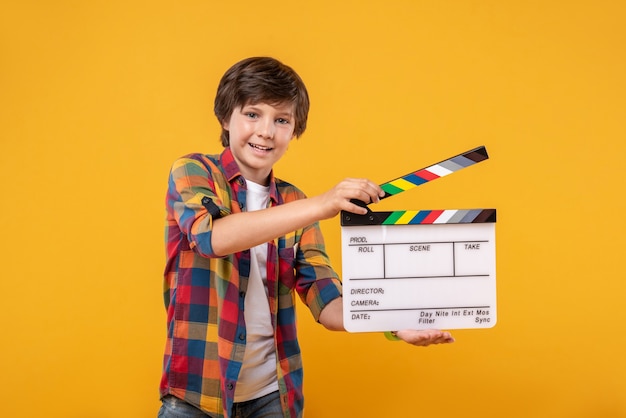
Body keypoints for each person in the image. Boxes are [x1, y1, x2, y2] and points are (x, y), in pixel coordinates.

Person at [158, 56, 454, 418]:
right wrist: (322, 204)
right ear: (225, 117)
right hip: (195, 395)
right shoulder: (193, 170)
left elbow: (325, 298)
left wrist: (391, 320)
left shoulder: (296, 203)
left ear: (294, 130)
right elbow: (212, 239)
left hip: (273, 396)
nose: (266, 131)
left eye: (282, 120)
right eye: (253, 114)